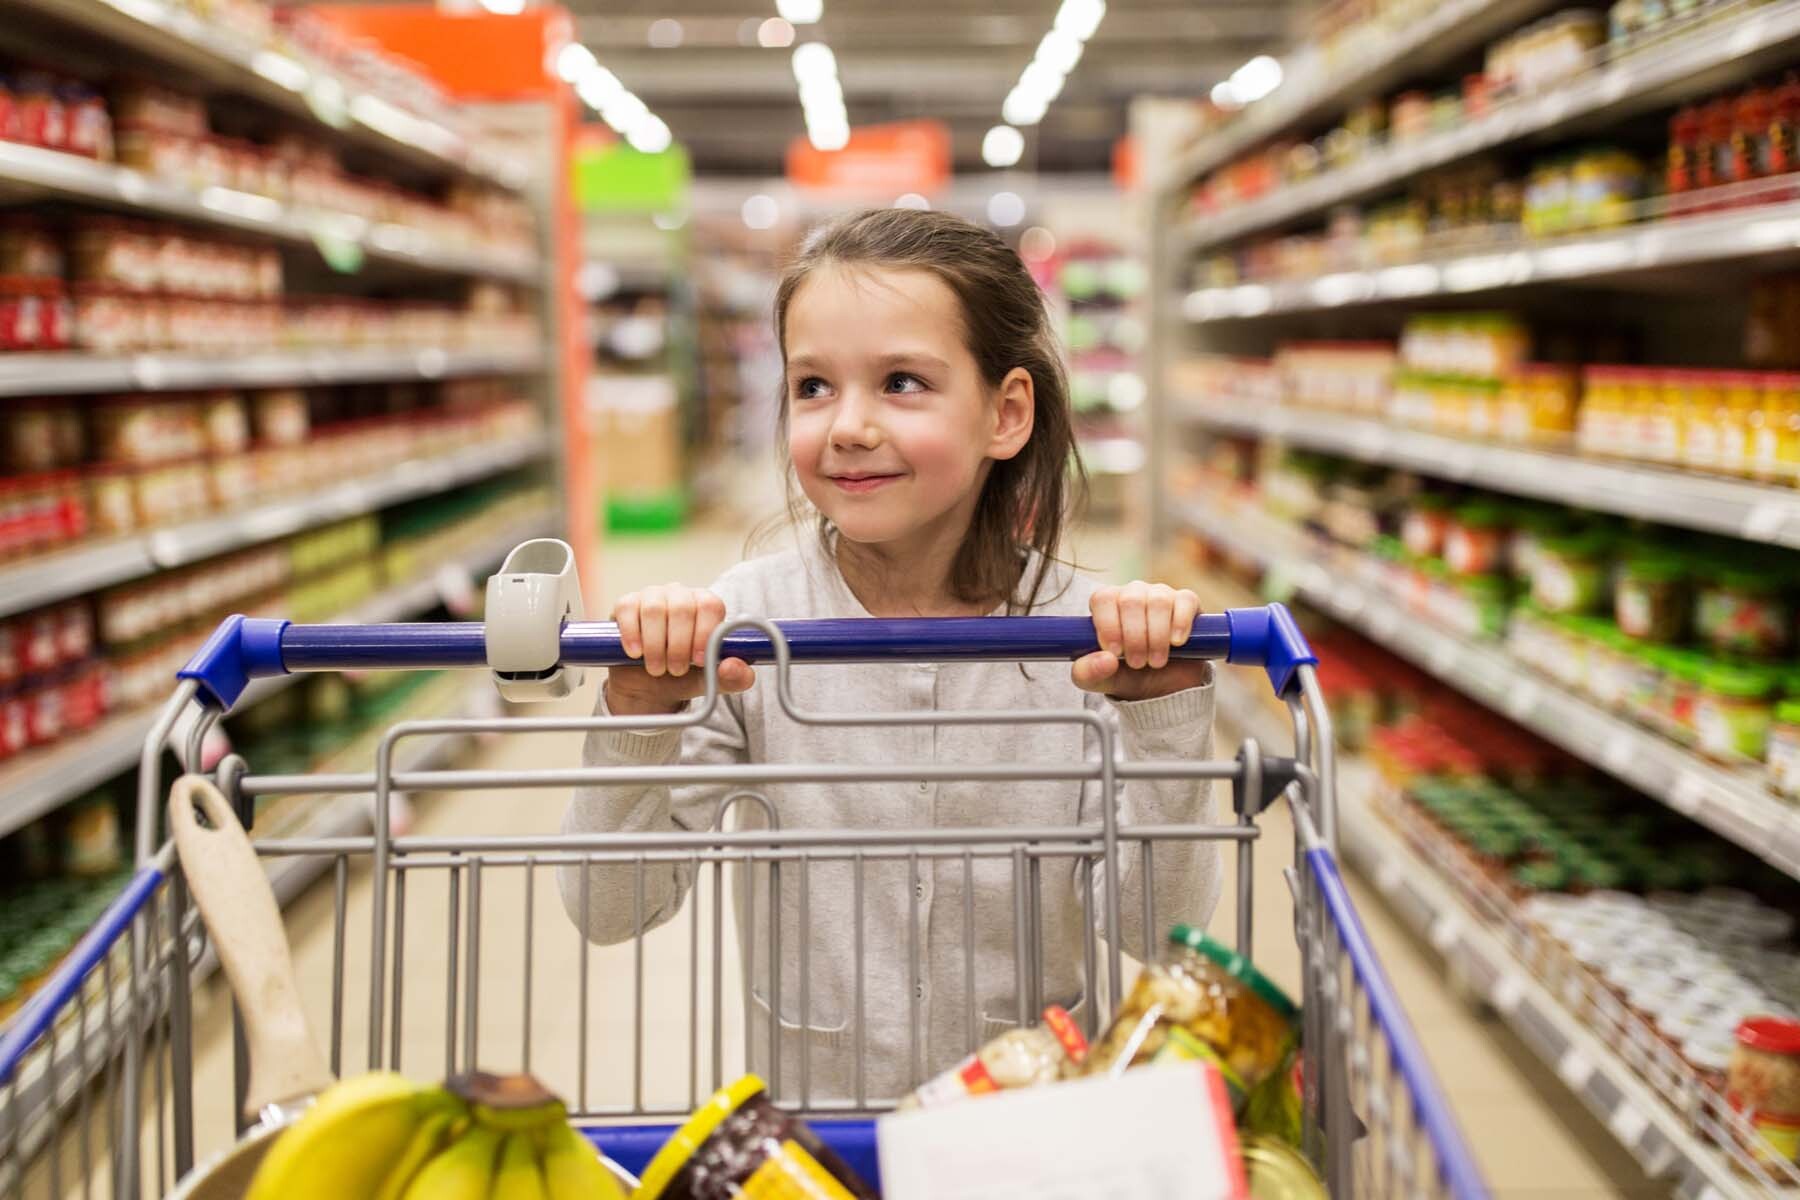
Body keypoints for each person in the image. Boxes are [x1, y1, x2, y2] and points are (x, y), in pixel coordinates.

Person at [559, 208, 1220, 1104]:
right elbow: (610, 911)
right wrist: (639, 715)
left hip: (1026, 1130)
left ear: (1006, 413)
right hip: (817, 1131)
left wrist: (1164, 719)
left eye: (902, 382)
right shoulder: (747, 628)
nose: (848, 426)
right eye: (814, 387)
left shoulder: (1084, 639)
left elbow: (1163, 934)